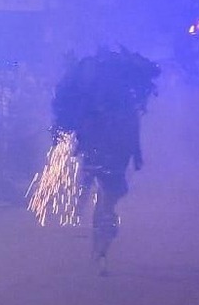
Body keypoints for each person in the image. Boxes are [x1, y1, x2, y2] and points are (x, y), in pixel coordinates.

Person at [52, 49, 159, 271]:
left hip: (110, 162)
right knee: (104, 202)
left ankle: (100, 247)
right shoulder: (99, 110)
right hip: (102, 160)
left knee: (105, 203)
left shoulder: (118, 111)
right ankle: (99, 247)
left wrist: (136, 157)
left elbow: (132, 134)